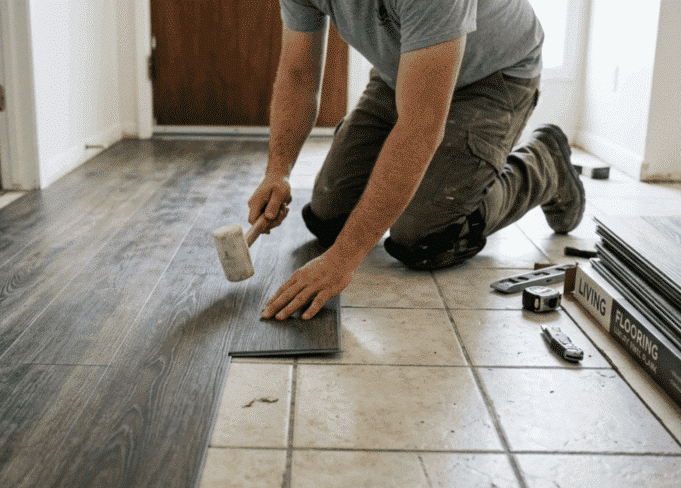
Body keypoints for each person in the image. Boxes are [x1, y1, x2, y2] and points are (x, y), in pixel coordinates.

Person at [250, 0, 585, 321]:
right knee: (327, 218)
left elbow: (420, 128)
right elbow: (298, 75)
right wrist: (277, 171)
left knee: (425, 239)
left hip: (490, 78)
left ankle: (546, 164)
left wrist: (342, 260)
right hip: (405, 68)